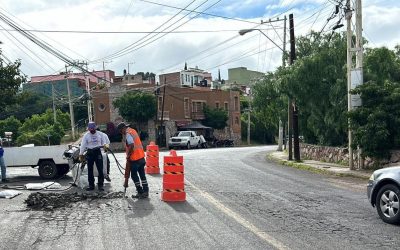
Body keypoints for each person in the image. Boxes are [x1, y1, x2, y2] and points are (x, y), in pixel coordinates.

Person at [117, 122, 148, 198]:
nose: (122, 133)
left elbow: (131, 145)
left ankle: (140, 192)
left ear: (123, 129)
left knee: (134, 176)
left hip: (135, 159)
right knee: (142, 175)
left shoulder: (128, 133)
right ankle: (146, 191)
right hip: (141, 157)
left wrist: (128, 155)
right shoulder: (133, 130)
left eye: (121, 131)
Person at [79, 122, 109, 191]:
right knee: (90, 170)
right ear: (89, 129)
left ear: (95, 128)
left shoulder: (100, 134)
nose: (92, 131)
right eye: (90, 130)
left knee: (100, 169)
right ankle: (91, 185)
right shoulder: (86, 136)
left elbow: (104, 142)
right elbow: (83, 145)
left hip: (97, 152)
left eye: (93, 129)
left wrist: (105, 145)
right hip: (90, 153)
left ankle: (100, 185)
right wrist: (81, 154)